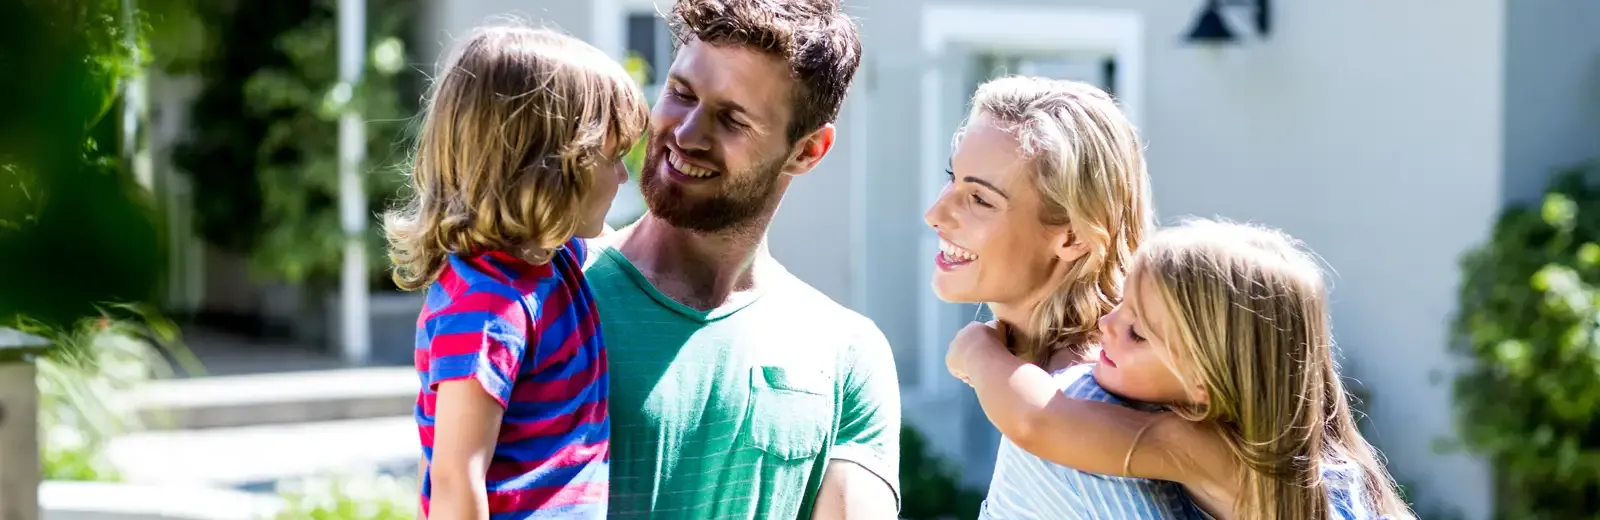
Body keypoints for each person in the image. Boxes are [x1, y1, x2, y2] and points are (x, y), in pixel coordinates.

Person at [583, 0, 900, 518]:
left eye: (732, 120)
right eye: (681, 94)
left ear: (808, 151)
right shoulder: (550, 291)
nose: (686, 135)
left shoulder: (846, 354)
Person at [946, 218, 1418, 520]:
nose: (1107, 325)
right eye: (1122, 307)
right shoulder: (1311, 456)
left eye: (1138, 333)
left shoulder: (1217, 451)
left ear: (1204, 385)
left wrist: (976, 349)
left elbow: (1039, 420)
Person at [383, 25, 648, 519]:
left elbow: (641, 247)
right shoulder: (486, 306)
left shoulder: (556, 258)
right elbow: (456, 477)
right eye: (611, 158)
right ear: (546, 168)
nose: (623, 177)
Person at [924, 75, 1208, 518]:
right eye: (952, 179)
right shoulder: (1061, 387)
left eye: (979, 198)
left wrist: (977, 350)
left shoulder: (1074, 411)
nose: (935, 214)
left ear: (1073, 236)